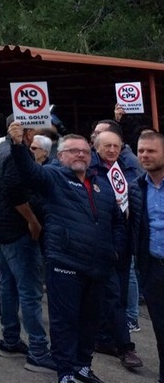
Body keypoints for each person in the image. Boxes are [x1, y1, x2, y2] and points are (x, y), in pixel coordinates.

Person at [7, 123, 125, 383]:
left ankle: (82, 365)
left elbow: (117, 220)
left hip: (98, 266)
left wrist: (115, 250)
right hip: (65, 263)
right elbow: (28, 172)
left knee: (91, 320)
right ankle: (66, 372)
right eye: (73, 151)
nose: (80, 154)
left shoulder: (102, 183)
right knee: (65, 321)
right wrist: (17, 145)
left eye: (85, 151)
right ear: (60, 156)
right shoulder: (52, 177)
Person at [0, 117, 54, 374]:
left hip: (0, 227)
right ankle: (38, 351)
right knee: (30, 292)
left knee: (10, 286)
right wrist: (33, 221)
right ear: (27, 129)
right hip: (17, 230)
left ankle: (10, 339)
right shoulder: (16, 154)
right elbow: (15, 192)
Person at [87, 121, 143, 370]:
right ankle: (121, 345)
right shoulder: (88, 168)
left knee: (114, 295)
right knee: (108, 295)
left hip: (121, 242)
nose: (111, 150)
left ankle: (111, 341)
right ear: (96, 146)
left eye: (115, 146)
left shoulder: (123, 167)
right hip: (98, 242)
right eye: (107, 145)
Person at [133, 129, 164, 383]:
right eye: (141, 150)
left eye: (151, 151)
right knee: (161, 329)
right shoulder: (136, 187)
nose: (144, 155)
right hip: (153, 268)